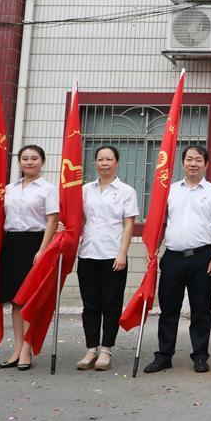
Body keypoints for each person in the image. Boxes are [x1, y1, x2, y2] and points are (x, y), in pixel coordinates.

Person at [144, 145, 211, 374]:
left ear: (206, 164)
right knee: (168, 309)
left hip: (203, 257)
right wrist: (153, 251)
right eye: (189, 159)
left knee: (201, 310)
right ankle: (164, 356)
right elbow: (160, 223)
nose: (193, 164)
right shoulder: (169, 191)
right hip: (173, 258)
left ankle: (200, 356)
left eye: (198, 160)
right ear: (182, 163)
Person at [0, 145, 59, 371]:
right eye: (25, 158)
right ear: (19, 162)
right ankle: (17, 347)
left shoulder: (48, 189)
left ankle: (26, 350)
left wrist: (43, 249)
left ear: (42, 161)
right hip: (11, 244)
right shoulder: (8, 189)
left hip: (35, 243)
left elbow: (52, 220)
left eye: (34, 158)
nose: (29, 162)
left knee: (29, 299)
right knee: (15, 300)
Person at [75, 145, 138, 372]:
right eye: (100, 159)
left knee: (111, 304)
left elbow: (129, 224)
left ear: (116, 163)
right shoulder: (85, 190)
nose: (104, 163)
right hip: (87, 253)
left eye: (109, 159)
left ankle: (106, 349)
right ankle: (91, 349)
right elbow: (78, 219)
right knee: (90, 304)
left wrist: (122, 252)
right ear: (95, 162)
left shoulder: (126, 191)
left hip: (112, 254)